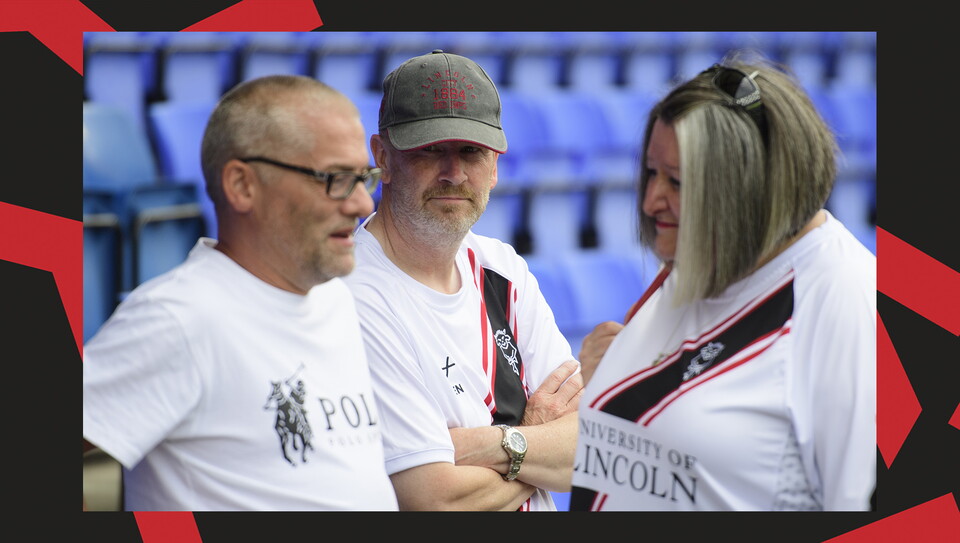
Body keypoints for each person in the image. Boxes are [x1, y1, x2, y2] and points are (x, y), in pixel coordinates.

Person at [569, 51, 876, 511]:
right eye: (651, 173)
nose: (652, 201)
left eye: (678, 182)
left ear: (750, 186)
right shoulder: (702, 261)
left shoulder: (849, 299)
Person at [82, 75, 399, 511]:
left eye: (364, 178)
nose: (364, 204)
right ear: (242, 186)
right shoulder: (180, 318)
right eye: (335, 178)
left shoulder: (335, 297)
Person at [343, 49, 585, 511]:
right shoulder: (355, 293)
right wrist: (535, 441)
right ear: (383, 158)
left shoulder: (502, 267)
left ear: (494, 164)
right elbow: (434, 501)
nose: (453, 173)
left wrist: (490, 447)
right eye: (431, 149)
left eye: (470, 152)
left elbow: (588, 450)